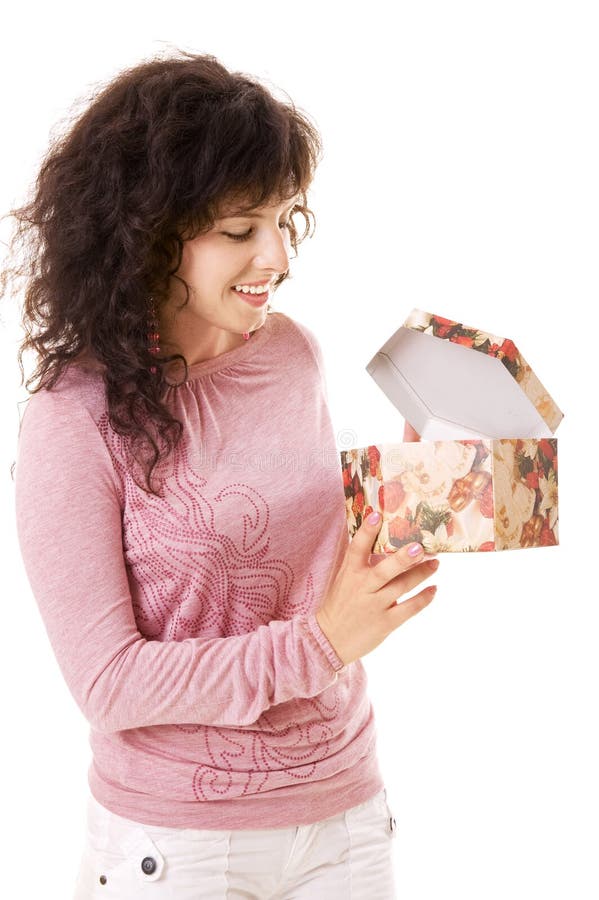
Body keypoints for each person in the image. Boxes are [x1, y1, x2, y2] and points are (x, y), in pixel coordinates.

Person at [7, 50, 439, 899]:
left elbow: (307, 556)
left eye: (286, 219)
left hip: (344, 816)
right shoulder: (72, 422)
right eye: (240, 231)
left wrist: (426, 489)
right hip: (177, 848)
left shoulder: (291, 356)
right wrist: (318, 646)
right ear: (148, 234)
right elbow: (108, 683)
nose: (276, 256)